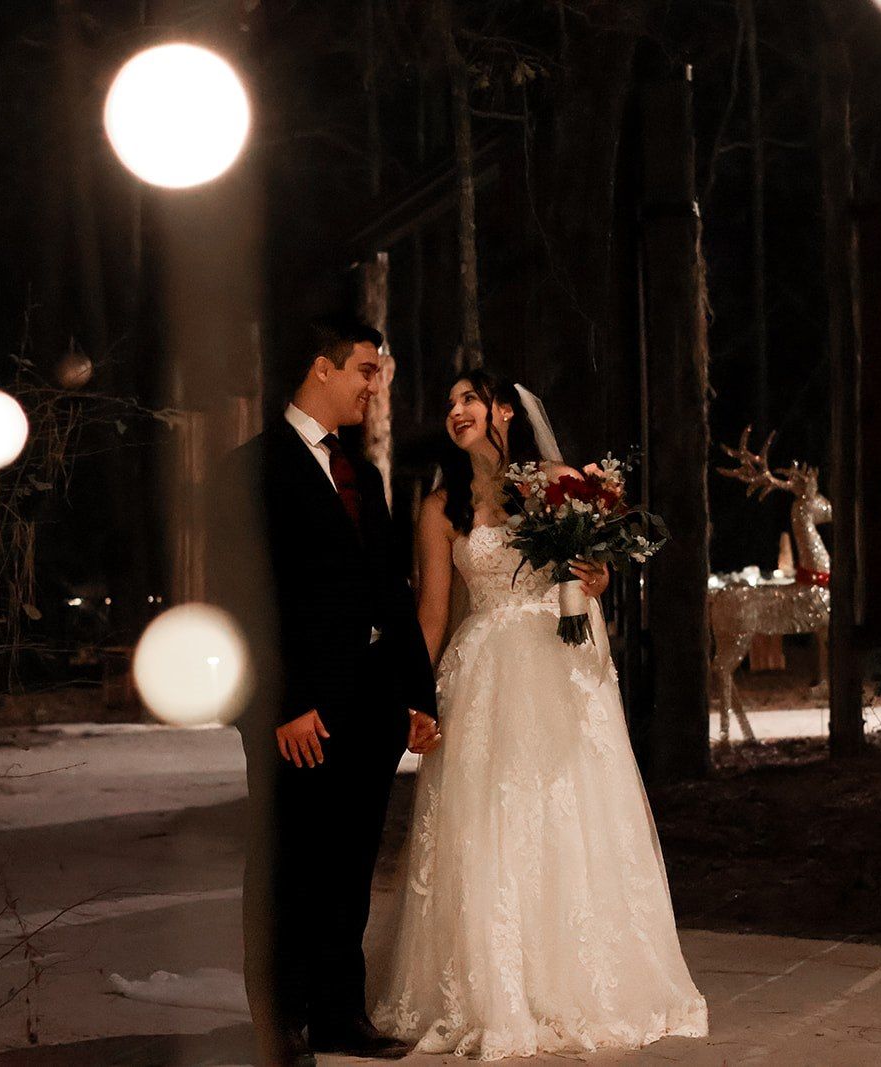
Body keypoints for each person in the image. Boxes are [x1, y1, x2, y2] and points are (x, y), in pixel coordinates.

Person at [371, 370, 708, 1059]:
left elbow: (586, 573)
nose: (456, 410)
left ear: (503, 410)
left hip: (555, 664)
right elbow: (432, 615)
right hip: (482, 673)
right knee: (485, 821)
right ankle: (493, 989)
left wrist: (598, 578)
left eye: (468, 398)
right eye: (449, 402)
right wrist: (412, 695)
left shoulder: (554, 484)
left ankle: (574, 980)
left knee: (564, 811)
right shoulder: (439, 507)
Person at [231, 314, 441, 1065]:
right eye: (365, 370)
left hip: (368, 705)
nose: (373, 386)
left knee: (350, 865)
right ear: (322, 368)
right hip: (296, 712)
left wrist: (417, 695)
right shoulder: (252, 469)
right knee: (288, 865)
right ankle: (281, 1022)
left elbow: (390, 590)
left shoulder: (362, 472)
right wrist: (283, 703)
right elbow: (243, 600)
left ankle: (339, 1014)